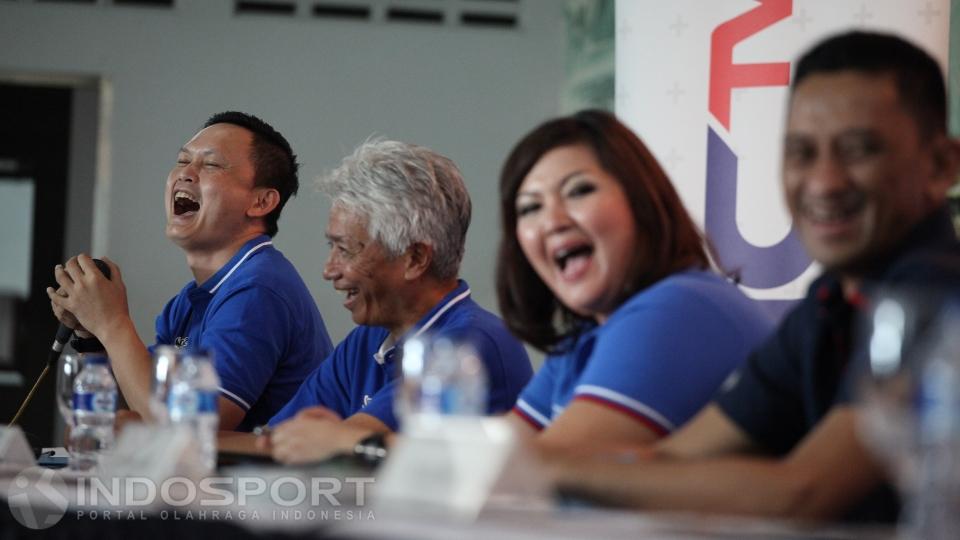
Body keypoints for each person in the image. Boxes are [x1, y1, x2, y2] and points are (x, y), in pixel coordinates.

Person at [552, 31, 960, 522]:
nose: (824, 182)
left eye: (858, 150)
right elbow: (676, 459)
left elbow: (803, 493)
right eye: (801, 153)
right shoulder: (831, 299)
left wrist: (542, 471)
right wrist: (534, 468)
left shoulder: (938, 296)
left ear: (941, 165)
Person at [498, 110, 774, 455]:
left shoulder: (679, 308)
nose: (552, 221)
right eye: (529, 208)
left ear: (640, 199)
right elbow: (494, 456)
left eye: (578, 190)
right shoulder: (584, 341)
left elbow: (539, 475)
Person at [47, 111, 333, 431]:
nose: (186, 173)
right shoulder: (191, 299)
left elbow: (185, 432)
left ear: (261, 201)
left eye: (210, 164)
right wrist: (92, 336)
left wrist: (112, 322)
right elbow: (139, 404)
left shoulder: (258, 290)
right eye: (182, 160)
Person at [262, 139, 533, 464]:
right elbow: (280, 440)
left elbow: (347, 445)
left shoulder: (470, 344)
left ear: (415, 258)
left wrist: (327, 439)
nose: (328, 270)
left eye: (345, 249)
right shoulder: (369, 337)